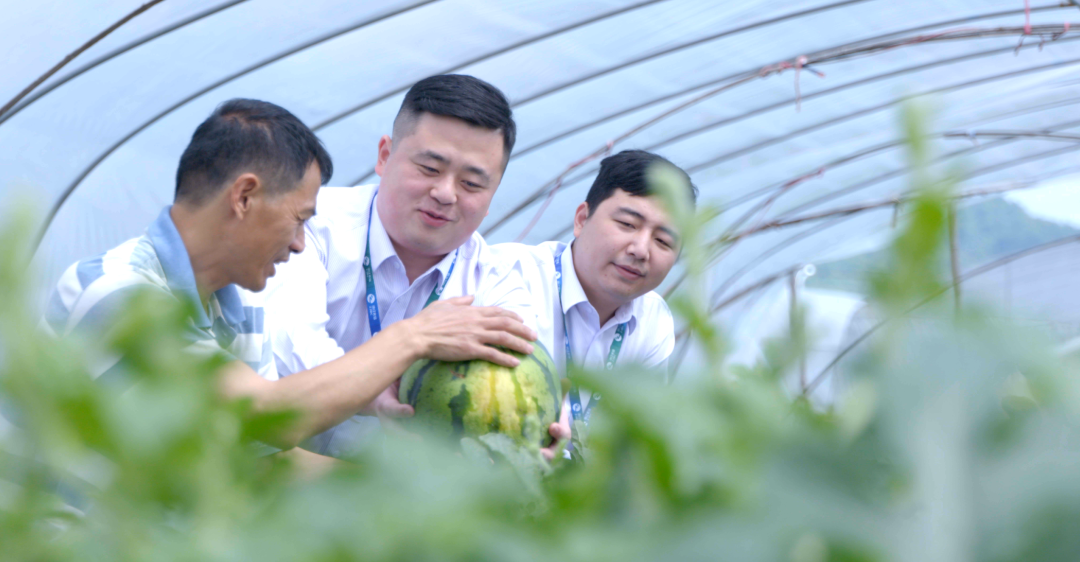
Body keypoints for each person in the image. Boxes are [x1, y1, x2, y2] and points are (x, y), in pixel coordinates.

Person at [42, 99, 534, 474]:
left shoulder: (236, 316)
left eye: (473, 183)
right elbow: (262, 416)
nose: (301, 243)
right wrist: (414, 338)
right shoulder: (120, 294)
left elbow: (261, 463)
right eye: (298, 220)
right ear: (244, 197)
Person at [263, 74, 561, 458]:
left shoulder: (496, 278)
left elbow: (521, 373)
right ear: (384, 156)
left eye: (472, 183)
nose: (445, 193)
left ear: (493, 195)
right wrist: (400, 357)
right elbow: (292, 353)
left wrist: (540, 420)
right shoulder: (311, 227)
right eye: (429, 169)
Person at [490, 149, 696, 440]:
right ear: (582, 219)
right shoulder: (507, 275)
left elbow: (636, 435)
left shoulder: (654, 321)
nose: (640, 249)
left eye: (663, 240)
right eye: (627, 224)